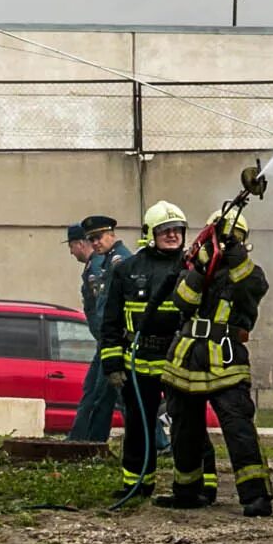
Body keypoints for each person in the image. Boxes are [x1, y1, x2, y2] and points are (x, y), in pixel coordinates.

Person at [159, 202, 273, 516]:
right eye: (221, 239)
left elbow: (251, 291)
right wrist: (200, 270)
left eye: (231, 239)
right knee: (184, 429)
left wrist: (237, 261)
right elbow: (183, 300)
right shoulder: (193, 267)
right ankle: (187, 492)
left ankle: (256, 497)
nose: (224, 245)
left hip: (226, 358)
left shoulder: (249, 272)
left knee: (238, 429)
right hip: (186, 358)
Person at [99, 202, 192, 499]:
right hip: (138, 361)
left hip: (179, 358)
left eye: (177, 229)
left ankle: (194, 486)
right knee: (138, 428)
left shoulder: (192, 268)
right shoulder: (127, 269)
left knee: (187, 427)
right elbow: (111, 321)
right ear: (150, 233)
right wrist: (113, 365)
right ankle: (137, 484)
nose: (173, 235)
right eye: (165, 230)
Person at [64, 214, 126, 444]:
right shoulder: (100, 263)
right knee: (95, 391)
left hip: (110, 341)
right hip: (105, 341)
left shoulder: (104, 265)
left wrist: (107, 338)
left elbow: (105, 309)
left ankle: (159, 443)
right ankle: (82, 438)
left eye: (97, 238)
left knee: (111, 394)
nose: (72, 252)